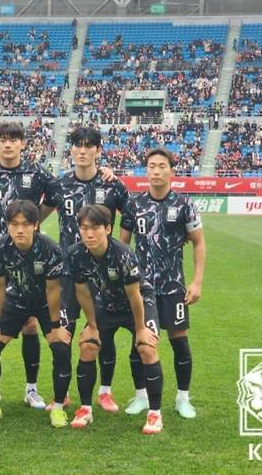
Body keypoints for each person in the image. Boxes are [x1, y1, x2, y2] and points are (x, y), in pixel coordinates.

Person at [0, 122, 58, 409]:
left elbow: (57, 194)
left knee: (30, 323)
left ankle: (31, 389)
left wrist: (34, 221)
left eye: (13, 139)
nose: (8, 144)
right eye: (2, 139)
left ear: (22, 143)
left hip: (28, 259)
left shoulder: (36, 172)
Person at [48, 126, 129, 413]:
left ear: (98, 150)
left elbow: (131, 218)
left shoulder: (112, 185)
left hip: (104, 275)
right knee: (64, 332)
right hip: (68, 272)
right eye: (77, 145)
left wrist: (122, 251)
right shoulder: (59, 185)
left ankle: (105, 392)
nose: (82, 151)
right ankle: (62, 393)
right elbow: (36, 215)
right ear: (71, 149)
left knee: (104, 331)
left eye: (88, 146)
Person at [120, 148, 206, 419]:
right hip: (141, 289)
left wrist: (197, 282)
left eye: (161, 166)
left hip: (173, 287)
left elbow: (199, 242)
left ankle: (183, 399)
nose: (156, 170)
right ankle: (141, 396)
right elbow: (123, 245)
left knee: (179, 342)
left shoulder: (184, 204)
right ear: (145, 170)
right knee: (140, 342)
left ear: (172, 170)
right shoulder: (134, 205)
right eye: (151, 166)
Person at [0, 200, 72, 428]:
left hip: (46, 303)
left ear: (35, 225)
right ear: (7, 225)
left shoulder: (50, 249)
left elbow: (53, 289)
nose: (20, 230)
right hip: (16, 299)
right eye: (14, 224)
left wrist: (56, 327)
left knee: (61, 347)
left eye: (26, 224)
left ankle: (58, 408)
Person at [68, 204, 164, 434]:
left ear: (108, 228)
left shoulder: (122, 254)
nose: (89, 234)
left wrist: (140, 329)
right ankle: (85, 409)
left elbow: (134, 295)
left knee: (147, 347)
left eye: (95, 228)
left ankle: (155, 414)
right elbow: (82, 291)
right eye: (84, 228)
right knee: (88, 345)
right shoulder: (75, 254)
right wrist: (92, 326)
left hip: (138, 302)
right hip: (107, 303)